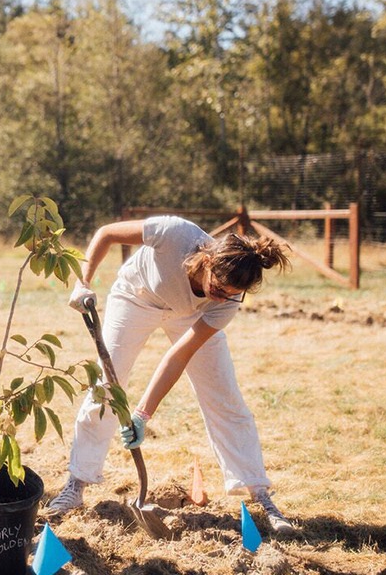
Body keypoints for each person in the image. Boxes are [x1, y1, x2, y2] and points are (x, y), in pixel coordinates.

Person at [47, 215, 297, 535]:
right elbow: (107, 234)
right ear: (206, 261)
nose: (221, 297)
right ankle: (76, 483)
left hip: (191, 316)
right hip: (137, 296)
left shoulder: (226, 301)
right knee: (108, 384)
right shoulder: (174, 234)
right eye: (218, 288)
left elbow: (179, 355)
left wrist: (142, 415)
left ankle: (260, 494)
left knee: (225, 397)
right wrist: (83, 281)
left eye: (231, 294)